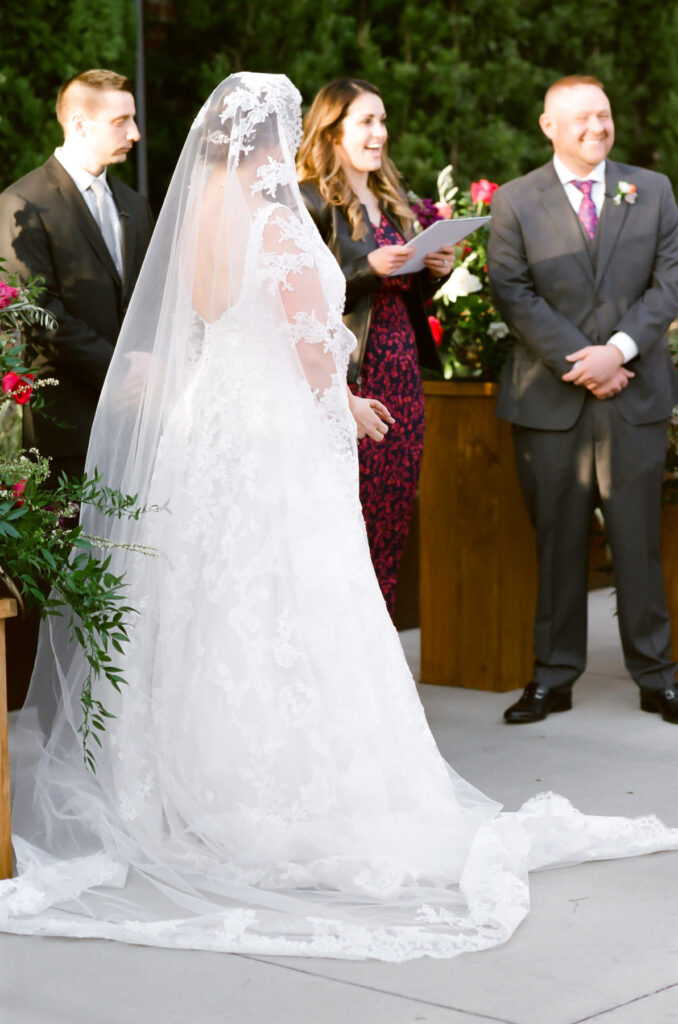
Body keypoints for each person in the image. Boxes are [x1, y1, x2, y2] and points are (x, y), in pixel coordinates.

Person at [1, 73, 677, 961]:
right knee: (295, 592)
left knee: (210, 601)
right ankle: (289, 792)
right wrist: (345, 404)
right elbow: (309, 341)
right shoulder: (275, 220)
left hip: (211, 427)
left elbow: (207, 327)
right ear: (269, 140)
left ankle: (189, 784)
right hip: (276, 429)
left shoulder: (198, 213)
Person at [487, 75, 678, 726]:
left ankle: (658, 675)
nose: (597, 127)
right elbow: (512, 293)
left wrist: (618, 351)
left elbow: (670, 280)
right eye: (581, 118)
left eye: (604, 114)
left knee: (637, 543)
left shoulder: (652, 190)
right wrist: (585, 361)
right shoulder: (515, 201)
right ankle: (553, 676)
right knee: (557, 542)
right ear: (548, 126)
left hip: (634, 395)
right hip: (550, 402)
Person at [297, 79, 452, 614]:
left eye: (382, 121)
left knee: (391, 515)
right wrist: (367, 268)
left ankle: (378, 657)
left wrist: (433, 271)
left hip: (402, 368)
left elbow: (407, 294)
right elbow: (296, 295)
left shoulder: (392, 199)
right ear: (332, 130)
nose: (379, 133)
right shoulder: (310, 198)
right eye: (366, 122)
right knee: (346, 519)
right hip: (349, 375)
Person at [0, 69, 154, 483]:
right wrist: (119, 368)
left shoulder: (135, 205)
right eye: (121, 122)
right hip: (68, 422)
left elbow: (150, 297)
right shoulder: (22, 203)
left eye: (133, 119)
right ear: (79, 125)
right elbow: (38, 314)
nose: (135, 133)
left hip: (140, 418)